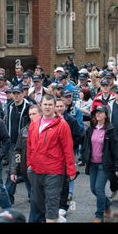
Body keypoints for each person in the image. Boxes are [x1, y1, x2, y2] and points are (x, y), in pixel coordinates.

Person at [26, 95, 76, 223]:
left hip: (54, 171)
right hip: (36, 170)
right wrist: (30, 164)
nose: (47, 107)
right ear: (41, 106)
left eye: (50, 104)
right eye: (45, 104)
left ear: (55, 107)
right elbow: (30, 145)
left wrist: (71, 171)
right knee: (38, 203)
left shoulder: (62, 125)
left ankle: (53, 218)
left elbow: (68, 149)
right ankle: (55, 218)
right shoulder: (35, 122)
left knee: (52, 203)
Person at [81, 105, 118, 222]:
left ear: (106, 115)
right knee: (93, 189)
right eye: (96, 112)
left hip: (104, 165)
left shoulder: (110, 130)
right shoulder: (91, 128)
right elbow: (86, 145)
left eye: (100, 112)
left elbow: (115, 148)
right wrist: (84, 157)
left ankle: (99, 215)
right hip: (92, 164)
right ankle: (107, 203)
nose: (97, 114)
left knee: (99, 189)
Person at [10, 105, 42, 222]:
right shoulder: (23, 130)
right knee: (33, 197)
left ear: (41, 114)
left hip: (41, 170)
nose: (32, 117)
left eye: (35, 114)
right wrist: (14, 169)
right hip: (26, 170)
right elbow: (17, 151)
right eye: (30, 114)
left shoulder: (45, 129)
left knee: (36, 197)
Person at [54, 98, 82, 222]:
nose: (59, 108)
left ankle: (65, 203)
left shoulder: (71, 120)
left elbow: (79, 135)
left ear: (65, 107)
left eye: (61, 106)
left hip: (68, 153)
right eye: (57, 106)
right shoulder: (52, 120)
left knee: (67, 176)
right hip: (55, 156)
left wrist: (70, 146)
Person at [4, 86, 31, 204]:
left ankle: (33, 195)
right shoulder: (9, 106)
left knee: (25, 170)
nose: (16, 95)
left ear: (23, 93)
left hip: (24, 144)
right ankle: (8, 197)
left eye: (18, 93)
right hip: (12, 144)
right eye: (14, 93)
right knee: (13, 169)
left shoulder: (28, 107)